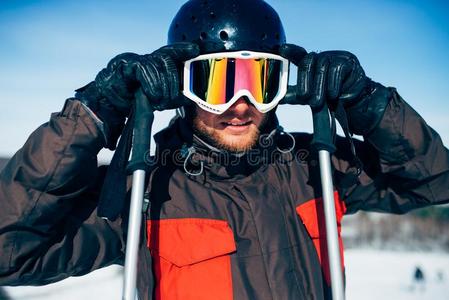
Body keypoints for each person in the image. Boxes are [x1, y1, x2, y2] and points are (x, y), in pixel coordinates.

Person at [0, 0, 448, 299]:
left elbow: (433, 182)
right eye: (215, 83)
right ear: (183, 88)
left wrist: (368, 104)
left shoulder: (315, 166)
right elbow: (11, 253)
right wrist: (94, 114)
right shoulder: (144, 195)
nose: (239, 106)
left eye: (260, 83)